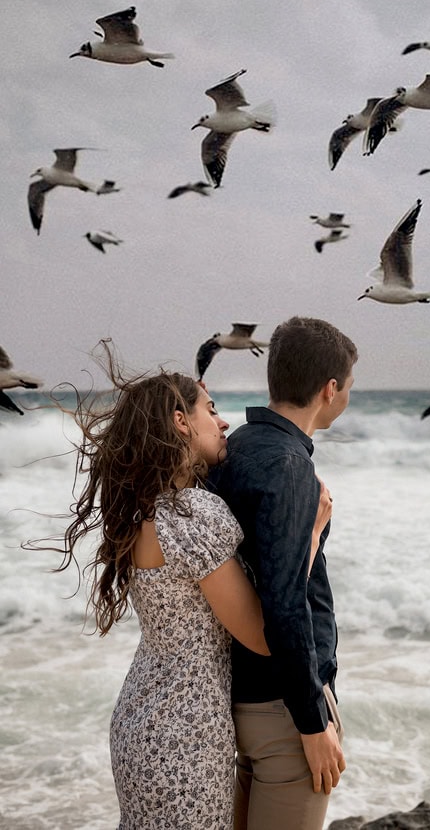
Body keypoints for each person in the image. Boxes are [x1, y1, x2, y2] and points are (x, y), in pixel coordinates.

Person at [45, 342, 332, 830]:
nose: (224, 424)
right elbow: (263, 636)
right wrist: (309, 536)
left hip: (141, 716)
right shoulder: (194, 514)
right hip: (186, 731)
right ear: (181, 422)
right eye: (212, 411)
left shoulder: (146, 511)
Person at [214, 315, 358, 830]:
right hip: (284, 711)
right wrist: (312, 720)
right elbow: (283, 602)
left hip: (235, 697)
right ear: (330, 389)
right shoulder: (290, 466)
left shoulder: (234, 449)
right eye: (348, 387)